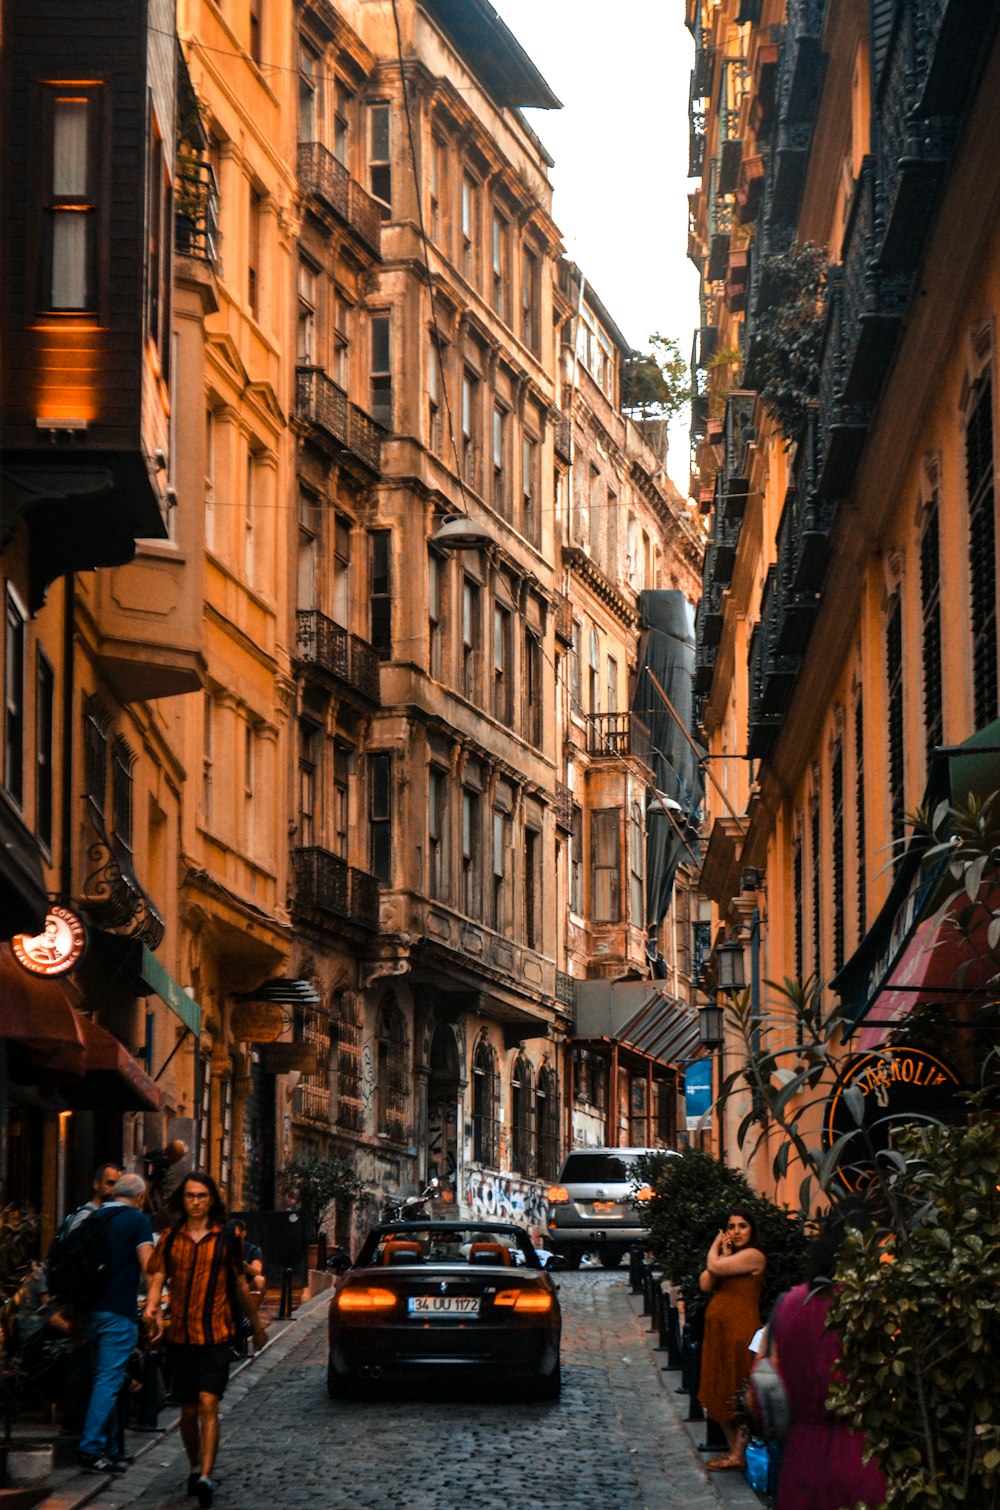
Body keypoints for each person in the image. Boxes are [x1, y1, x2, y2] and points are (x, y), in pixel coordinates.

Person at [142, 1171, 266, 1509]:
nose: (196, 1202)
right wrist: (152, 1307)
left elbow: (240, 1284)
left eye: (202, 1196)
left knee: (210, 1404)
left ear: (211, 1200)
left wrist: (256, 1326)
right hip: (181, 1334)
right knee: (188, 1410)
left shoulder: (227, 1238)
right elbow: (157, 1275)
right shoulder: (170, 1238)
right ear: (183, 1200)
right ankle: (195, 1465)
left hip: (216, 1333)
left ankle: (206, 1477)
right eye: (190, 1196)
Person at [767, 1214, 887, 1510]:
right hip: (863, 1456)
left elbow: (762, 1388)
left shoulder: (788, 1304)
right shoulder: (874, 1309)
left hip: (802, 1459)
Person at [77, 1173, 154, 1475]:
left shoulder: (93, 1218)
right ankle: (91, 1448)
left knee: (103, 1379)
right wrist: (153, 1306)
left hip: (90, 1313)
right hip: (118, 1312)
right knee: (108, 1382)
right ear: (139, 1198)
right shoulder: (137, 1221)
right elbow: (149, 1267)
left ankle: (109, 1449)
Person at [698, 1205, 767, 1472]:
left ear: (752, 1230)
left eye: (742, 1226)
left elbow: (712, 1266)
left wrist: (715, 1246)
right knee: (719, 1386)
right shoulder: (729, 1259)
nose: (736, 1232)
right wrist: (724, 1254)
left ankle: (738, 1452)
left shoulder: (753, 1255)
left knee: (738, 1385)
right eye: (731, 1227)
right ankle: (733, 1451)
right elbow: (706, 1283)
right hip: (718, 1333)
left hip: (739, 1332)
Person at [64, 1162, 124, 1234]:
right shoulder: (85, 1216)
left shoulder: (108, 1215)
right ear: (96, 1184)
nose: (114, 1189)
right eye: (110, 1183)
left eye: (118, 1186)